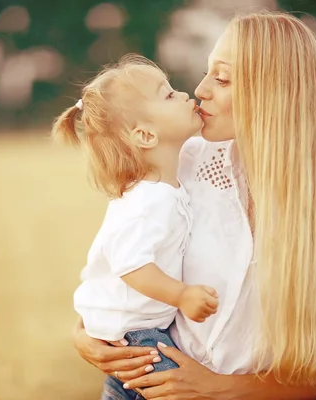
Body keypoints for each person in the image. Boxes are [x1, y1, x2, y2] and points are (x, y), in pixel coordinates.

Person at [72, 11, 316, 400]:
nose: (200, 90)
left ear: (276, 91)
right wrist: (83, 336)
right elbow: (121, 258)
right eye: (206, 72)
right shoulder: (181, 163)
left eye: (223, 78)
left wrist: (222, 389)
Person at [52, 54, 220, 399]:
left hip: (136, 329)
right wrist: (182, 295)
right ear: (145, 135)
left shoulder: (163, 190)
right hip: (136, 335)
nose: (188, 94)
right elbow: (131, 265)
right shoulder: (148, 202)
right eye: (169, 95)